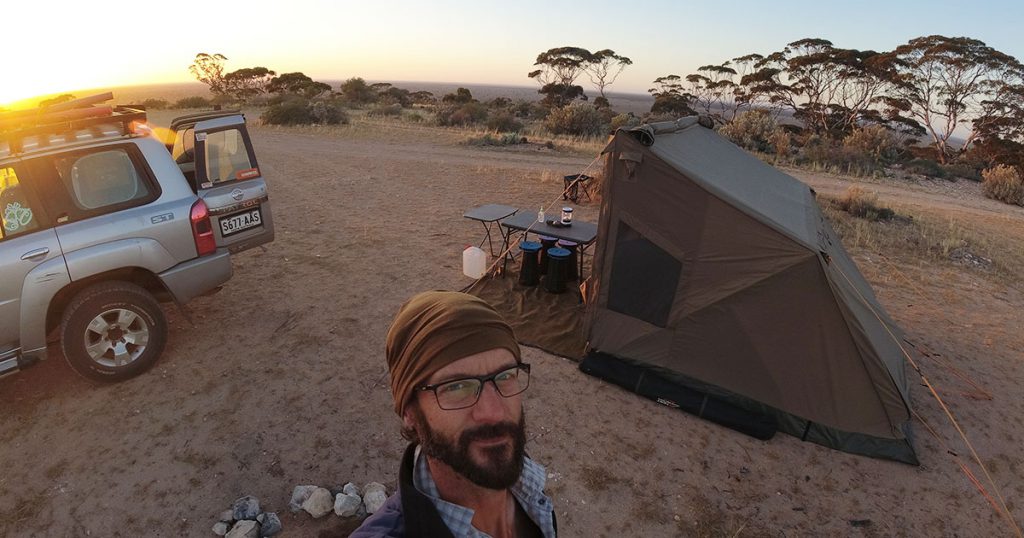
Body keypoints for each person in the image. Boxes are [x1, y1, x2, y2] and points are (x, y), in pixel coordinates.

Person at [351, 291, 557, 538]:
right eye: (457, 387)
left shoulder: (528, 488)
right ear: (409, 411)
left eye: (504, 377)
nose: (493, 412)